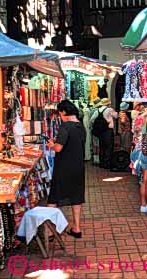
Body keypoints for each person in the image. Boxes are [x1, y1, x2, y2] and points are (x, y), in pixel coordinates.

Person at [47, 100, 86, 238]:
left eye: (60, 113)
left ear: (63, 112)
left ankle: (50, 232)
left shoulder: (65, 126)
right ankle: (76, 227)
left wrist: (51, 144)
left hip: (64, 166)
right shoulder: (80, 126)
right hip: (78, 166)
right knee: (76, 197)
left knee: (54, 197)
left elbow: (59, 147)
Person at [90, 98, 118, 169]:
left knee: (102, 146)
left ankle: (101, 163)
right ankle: (107, 163)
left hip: (100, 131)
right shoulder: (110, 110)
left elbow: (92, 119)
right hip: (108, 130)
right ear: (108, 103)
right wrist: (108, 120)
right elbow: (116, 116)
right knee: (108, 147)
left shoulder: (97, 111)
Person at [90, 97, 102, 165]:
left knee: (95, 145)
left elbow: (90, 121)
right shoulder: (99, 110)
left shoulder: (91, 110)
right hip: (100, 130)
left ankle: (95, 159)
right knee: (99, 144)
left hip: (94, 130)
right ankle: (98, 159)